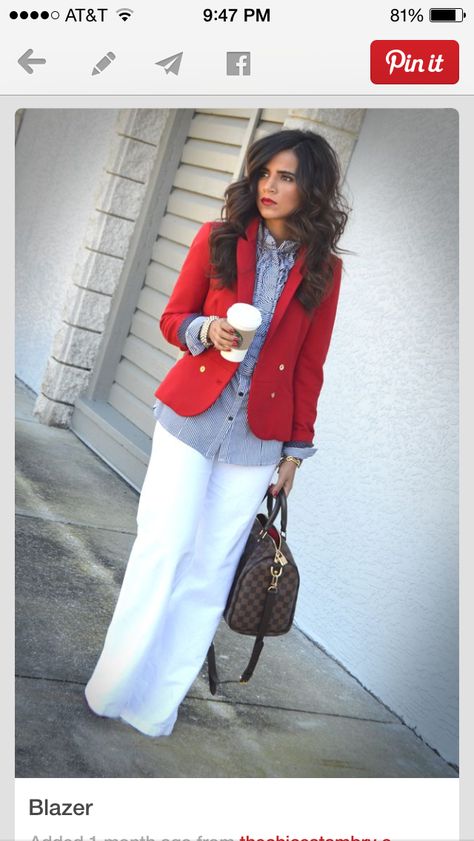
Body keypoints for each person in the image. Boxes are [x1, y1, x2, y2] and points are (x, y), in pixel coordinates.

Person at [85, 128, 349, 737]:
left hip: (258, 440)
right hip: (191, 419)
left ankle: (154, 706)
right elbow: (172, 317)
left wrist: (295, 454)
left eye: (286, 177)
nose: (270, 187)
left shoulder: (325, 271)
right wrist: (206, 330)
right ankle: (113, 689)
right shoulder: (220, 238)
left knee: (210, 570)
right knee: (162, 549)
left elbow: (311, 364)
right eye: (264, 173)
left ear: (311, 188)